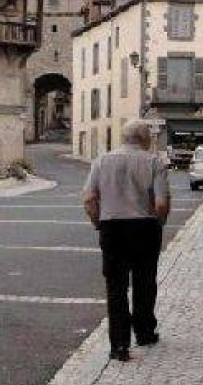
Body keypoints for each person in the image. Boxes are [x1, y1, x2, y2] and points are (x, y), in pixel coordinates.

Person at [82, 119, 171, 362]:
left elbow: (89, 199)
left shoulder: (101, 161)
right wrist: (158, 223)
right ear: (145, 139)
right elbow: (161, 203)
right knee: (144, 283)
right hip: (144, 227)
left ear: (123, 138)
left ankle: (119, 345)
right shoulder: (154, 161)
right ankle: (144, 332)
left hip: (112, 228)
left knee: (116, 288)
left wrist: (98, 223)